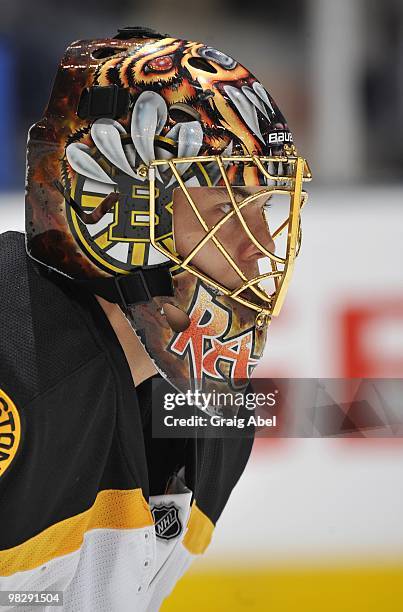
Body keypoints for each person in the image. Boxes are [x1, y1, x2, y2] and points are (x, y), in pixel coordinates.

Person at [0, 26, 311, 611]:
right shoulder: (15, 368)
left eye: (263, 207)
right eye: (224, 208)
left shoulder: (216, 419)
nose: (259, 244)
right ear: (116, 212)